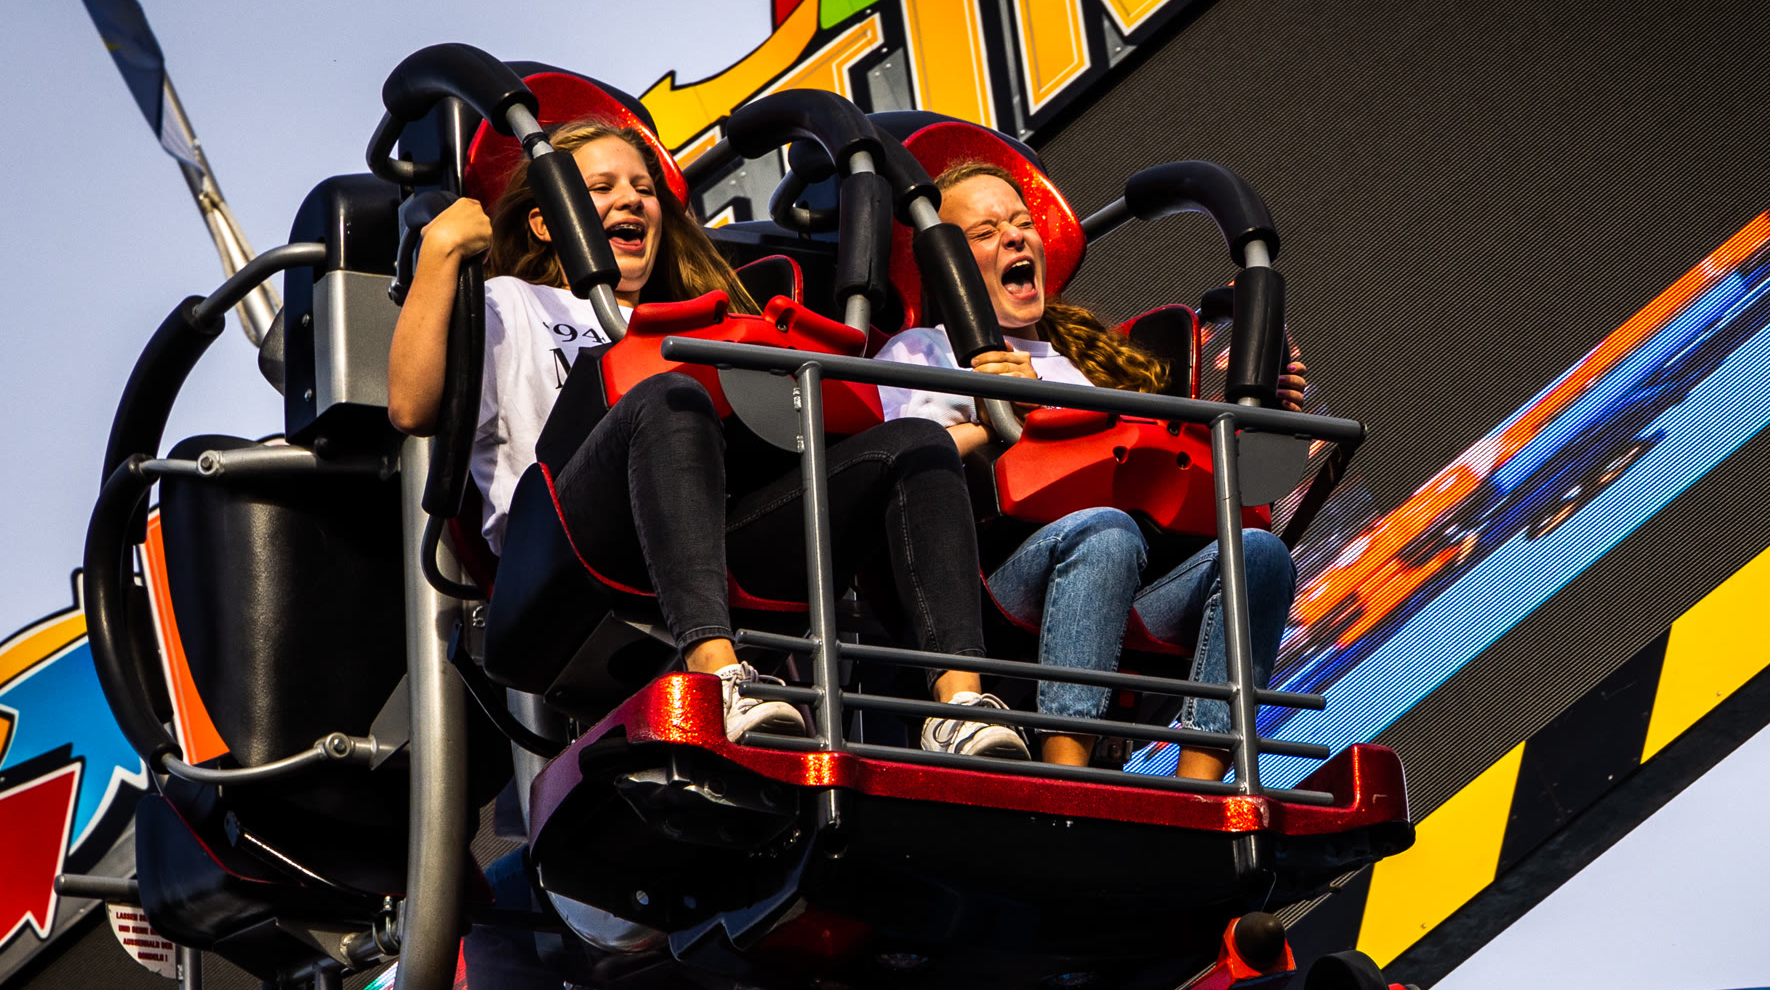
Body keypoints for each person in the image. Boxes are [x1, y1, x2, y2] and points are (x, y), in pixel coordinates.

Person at [388, 116, 1026, 758]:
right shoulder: (510, 302)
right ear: (545, 222)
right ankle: (717, 677)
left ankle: (958, 709)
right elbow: (412, 407)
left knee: (913, 442)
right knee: (669, 395)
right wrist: (439, 250)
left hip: (705, 540)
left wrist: (986, 421)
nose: (631, 200)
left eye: (643, 189)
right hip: (565, 543)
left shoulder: (697, 321)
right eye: (602, 188)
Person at [875, 160, 1306, 781]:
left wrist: (1258, 419)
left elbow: (1153, 461)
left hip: (1129, 573)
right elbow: (908, 465)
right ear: (947, 264)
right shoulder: (923, 352)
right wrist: (1000, 416)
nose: (1014, 238)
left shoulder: (1083, 363)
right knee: (1104, 531)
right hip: (998, 576)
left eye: (1022, 224)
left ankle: (1201, 781)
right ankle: (1069, 769)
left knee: (1259, 554)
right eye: (986, 232)